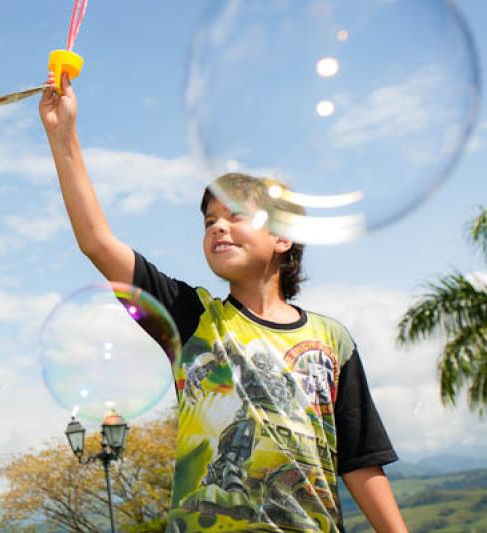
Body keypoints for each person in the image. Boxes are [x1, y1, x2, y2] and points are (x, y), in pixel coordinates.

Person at [39, 73, 408, 533]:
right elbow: (96, 241)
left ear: (281, 237)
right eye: (209, 220)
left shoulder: (333, 340)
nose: (217, 227)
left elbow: (360, 460)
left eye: (235, 215)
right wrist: (63, 135)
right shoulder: (191, 320)